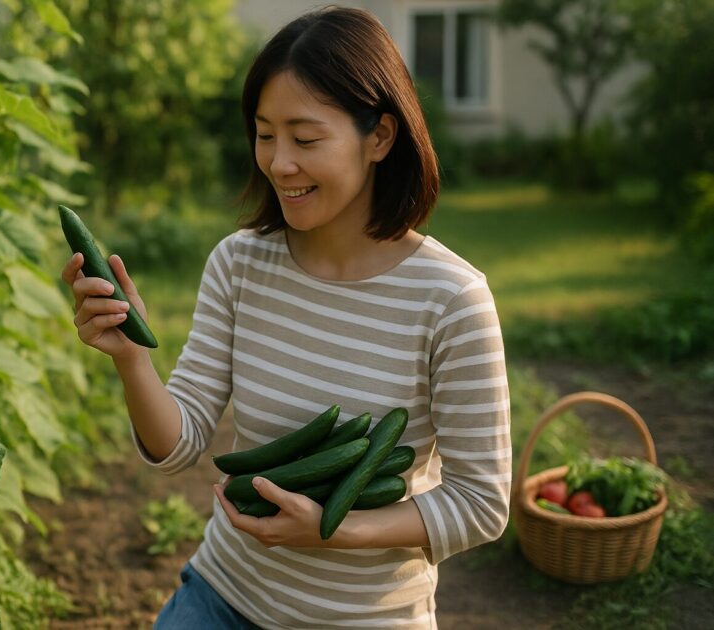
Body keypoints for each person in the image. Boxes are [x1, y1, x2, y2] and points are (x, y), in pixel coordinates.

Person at [61, 6, 510, 629]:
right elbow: (181, 441)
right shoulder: (240, 263)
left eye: (305, 138)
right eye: (265, 133)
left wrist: (338, 530)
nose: (278, 163)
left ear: (379, 137)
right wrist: (132, 359)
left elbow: (480, 502)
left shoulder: (451, 299)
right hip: (224, 595)